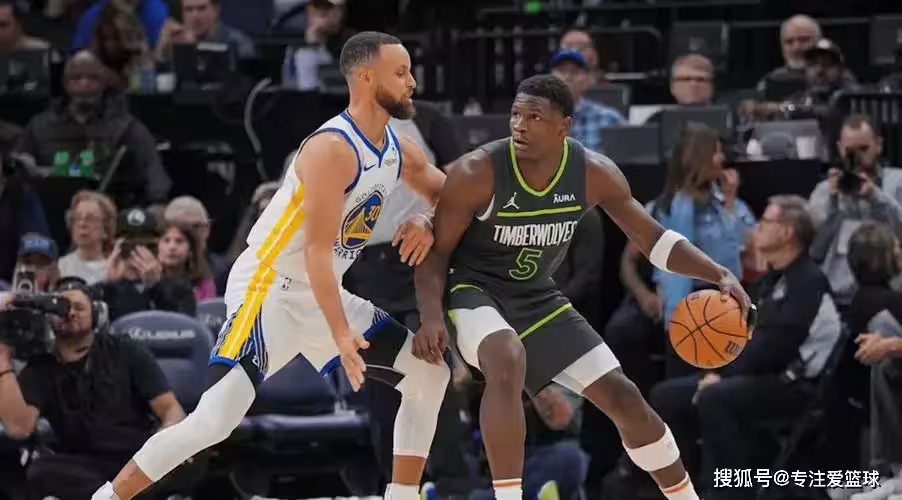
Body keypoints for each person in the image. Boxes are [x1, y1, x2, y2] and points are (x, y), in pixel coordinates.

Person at [92, 31, 451, 500]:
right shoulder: (331, 148)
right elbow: (316, 253)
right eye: (400, 72)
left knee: (430, 375)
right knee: (215, 420)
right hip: (269, 289)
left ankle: (400, 497)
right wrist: (342, 334)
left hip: (321, 292)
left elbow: (451, 195)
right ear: (366, 78)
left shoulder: (399, 148)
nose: (412, 82)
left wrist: (426, 218)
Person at [413, 74, 753, 500]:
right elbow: (435, 254)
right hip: (473, 291)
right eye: (516, 114)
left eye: (534, 117)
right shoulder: (478, 170)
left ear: (564, 126)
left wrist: (719, 274)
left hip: (536, 295)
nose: (519, 125)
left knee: (624, 397)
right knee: (506, 355)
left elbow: (654, 241)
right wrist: (431, 317)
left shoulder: (593, 172)